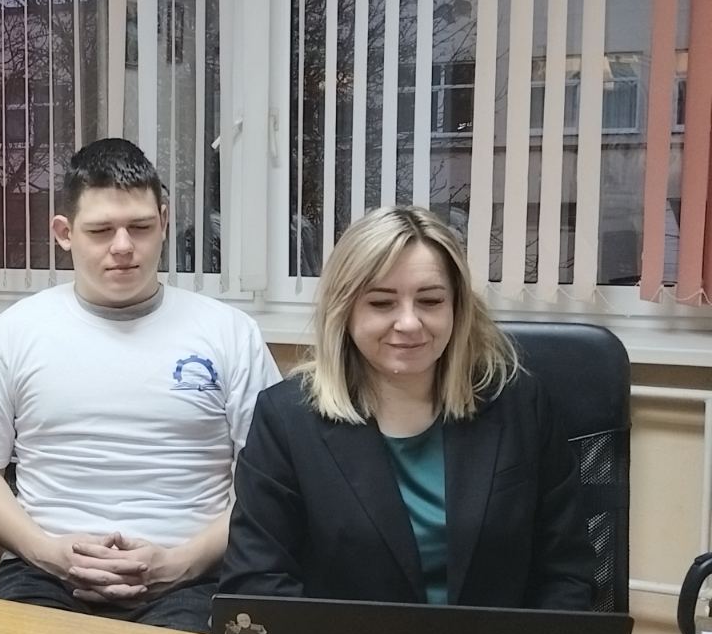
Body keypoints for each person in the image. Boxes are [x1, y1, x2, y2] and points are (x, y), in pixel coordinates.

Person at [0, 138, 279, 630]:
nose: (122, 246)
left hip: (192, 579)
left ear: (164, 221)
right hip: (43, 574)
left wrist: (180, 563)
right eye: (100, 230)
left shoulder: (230, 334)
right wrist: (46, 551)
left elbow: (270, 483)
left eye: (140, 227)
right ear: (64, 233)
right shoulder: (15, 333)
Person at [217, 205, 593, 609]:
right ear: (344, 310)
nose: (410, 323)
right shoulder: (286, 419)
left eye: (430, 301)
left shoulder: (518, 404)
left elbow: (567, 572)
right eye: (382, 303)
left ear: (457, 308)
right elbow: (257, 581)